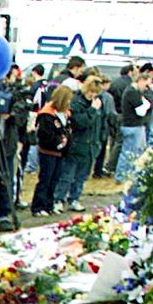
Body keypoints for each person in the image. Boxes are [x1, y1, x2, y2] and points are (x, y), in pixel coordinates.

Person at [55, 73, 107, 212]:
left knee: (81, 177)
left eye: (95, 92)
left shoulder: (99, 102)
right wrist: (92, 110)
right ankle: (58, 199)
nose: (92, 95)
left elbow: (102, 122)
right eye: (90, 91)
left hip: (91, 145)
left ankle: (74, 199)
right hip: (77, 144)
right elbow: (80, 122)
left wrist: (101, 140)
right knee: (67, 175)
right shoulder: (76, 102)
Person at [31, 85, 73, 216]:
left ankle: (49, 204)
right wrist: (58, 141)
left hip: (61, 153)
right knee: (45, 179)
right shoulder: (47, 114)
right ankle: (38, 206)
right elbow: (44, 135)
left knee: (55, 180)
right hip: (48, 152)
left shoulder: (65, 113)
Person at [116, 67, 153, 183]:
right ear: (140, 81)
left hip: (135, 126)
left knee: (134, 152)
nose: (146, 88)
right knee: (129, 152)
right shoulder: (132, 92)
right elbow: (141, 111)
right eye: (146, 85)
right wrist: (147, 103)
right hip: (132, 126)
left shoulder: (133, 91)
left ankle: (128, 175)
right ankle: (121, 176)